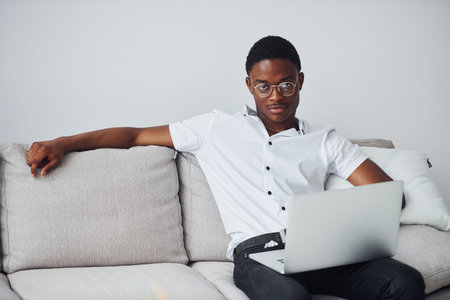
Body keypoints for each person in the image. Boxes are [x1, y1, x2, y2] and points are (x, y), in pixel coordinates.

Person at [27, 36, 425, 300]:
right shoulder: (215, 127)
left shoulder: (325, 139)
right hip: (259, 253)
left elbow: (387, 195)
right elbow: (132, 135)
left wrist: (342, 224)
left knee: (406, 281)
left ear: (300, 82)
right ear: (249, 85)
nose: (276, 96)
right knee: (290, 298)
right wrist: (63, 143)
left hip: (322, 252)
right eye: (264, 86)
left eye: (286, 85)